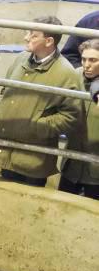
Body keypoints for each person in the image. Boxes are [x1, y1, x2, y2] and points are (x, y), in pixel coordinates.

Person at [0, 16, 83, 187]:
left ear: (49, 41)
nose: (26, 37)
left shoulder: (67, 73)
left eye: (33, 35)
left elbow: (71, 117)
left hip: (33, 158)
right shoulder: (21, 58)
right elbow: (4, 89)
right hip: (4, 151)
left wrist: (36, 126)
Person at [58, 39, 99, 199]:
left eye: (93, 60)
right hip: (71, 163)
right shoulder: (75, 75)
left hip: (95, 167)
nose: (86, 65)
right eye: (83, 59)